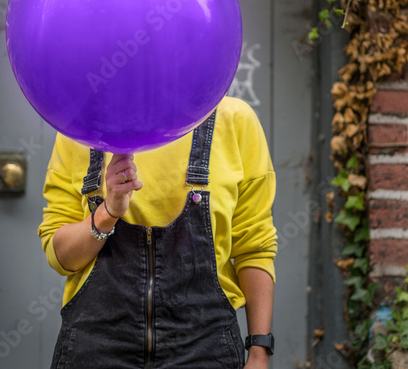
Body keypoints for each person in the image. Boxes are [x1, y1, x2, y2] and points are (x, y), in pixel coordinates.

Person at [37, 95, 278, 369]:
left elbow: (255, 248)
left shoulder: (234, 119)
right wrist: (107, 212)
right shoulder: (79, 128)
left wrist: (259, 355)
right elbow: (61, 258)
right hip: (96, 348)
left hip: (205, 348)